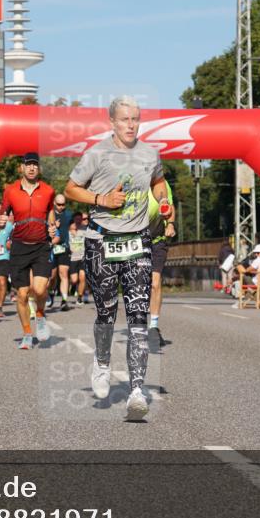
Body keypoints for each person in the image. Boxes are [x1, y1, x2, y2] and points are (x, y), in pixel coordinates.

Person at [64, 96, 170, 421]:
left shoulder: (150, 154)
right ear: (112, 122)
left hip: (138, 241)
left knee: (138, 316)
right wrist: (101, 199)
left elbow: (159, 181)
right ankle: (102, 360)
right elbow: (70, 189)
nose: (130, 125)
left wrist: (163, 199)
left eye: (135, 119)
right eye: (124, 120)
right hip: (101, 241)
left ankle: (137, 391)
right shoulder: (97, 153)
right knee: (106, 313)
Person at [2, 152, 56, 350]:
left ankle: (40, 316)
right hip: (19, 246)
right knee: (23, 294)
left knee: (40, 289)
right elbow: (4, 214)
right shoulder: (10, 191)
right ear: (21, 168)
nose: (32, 168)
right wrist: (1, 222)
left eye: (35, 165)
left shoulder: (48, 190)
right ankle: (26, 333)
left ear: (38, 168)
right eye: (28, 164)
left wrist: (52, 227)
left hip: (41, 245)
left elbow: (51, 211)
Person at [148, 179, 176, 345]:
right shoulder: (130, 181)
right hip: (134, 239)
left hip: (157, 239)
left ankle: (153, 326)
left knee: (155, 283)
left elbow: (170, 208)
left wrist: (171, 224)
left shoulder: (162, 184)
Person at [49, 193, 74, 312]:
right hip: (51, 247)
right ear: (54, 203)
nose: (61, 207)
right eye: (59, 204)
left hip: (64, 247)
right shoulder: (49, 214)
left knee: (63, 273)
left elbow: (74, 227)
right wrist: (53, 225)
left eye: (63, 204)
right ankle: (51, 292)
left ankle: (64, 301)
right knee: (52, 276)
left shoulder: (69, 214)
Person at [67, 213, 87, 306]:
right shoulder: (69, 229)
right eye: (77, 219)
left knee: (82, 277)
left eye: (80, 219)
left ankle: (79, 297)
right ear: (74, 219)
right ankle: (73, 286)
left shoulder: (85, 228)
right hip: (73, 257)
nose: (78, 220)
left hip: (83, 256)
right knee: (74, 280)